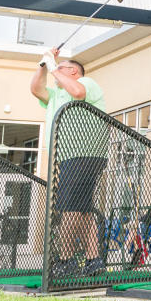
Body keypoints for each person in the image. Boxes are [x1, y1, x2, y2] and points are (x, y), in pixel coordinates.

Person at [30, 48, 108, 278]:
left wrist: (53, 66)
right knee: (82, 209)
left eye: (60, 69)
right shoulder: (56, 94)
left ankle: (65, 260)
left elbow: (78, 92)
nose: (55, 74)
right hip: (66, 156)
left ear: (73, 71)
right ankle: (94, 260)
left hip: (85, 153)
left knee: (69, 208)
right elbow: (36, 88)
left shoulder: (86, 82)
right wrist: (43, 65)